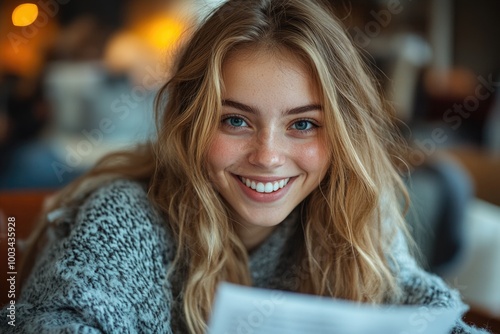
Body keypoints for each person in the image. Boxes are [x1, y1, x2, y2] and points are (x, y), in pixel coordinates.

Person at [0, 0, 489, 333]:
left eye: (303, 125)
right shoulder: (125, 218)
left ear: (342, 135)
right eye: (235, 120)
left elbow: (427, 311)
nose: (268, 155)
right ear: (189, 124)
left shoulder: (357, 209)